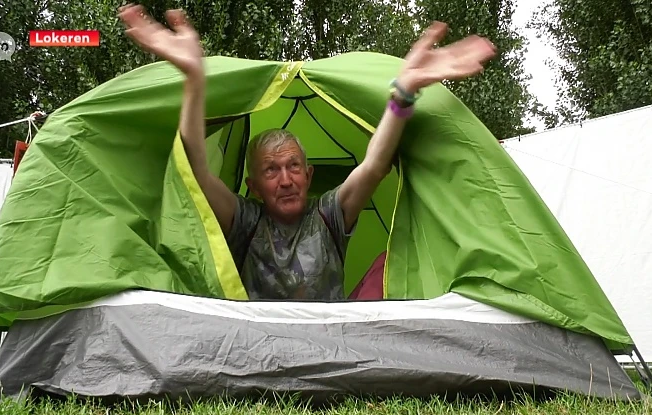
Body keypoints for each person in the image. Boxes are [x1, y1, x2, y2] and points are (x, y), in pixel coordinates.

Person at [118, 4, 496, 301]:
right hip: (260, 341)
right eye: (271, 170)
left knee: (393, 261)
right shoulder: (246, 222)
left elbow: (375, 165)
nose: (285, 179)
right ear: (254, 185)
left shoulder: (329, 216)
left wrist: (405, 92)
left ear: (309, 174)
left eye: (293, 166)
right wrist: (194, 81)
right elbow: (196, 170)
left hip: (332, 338)